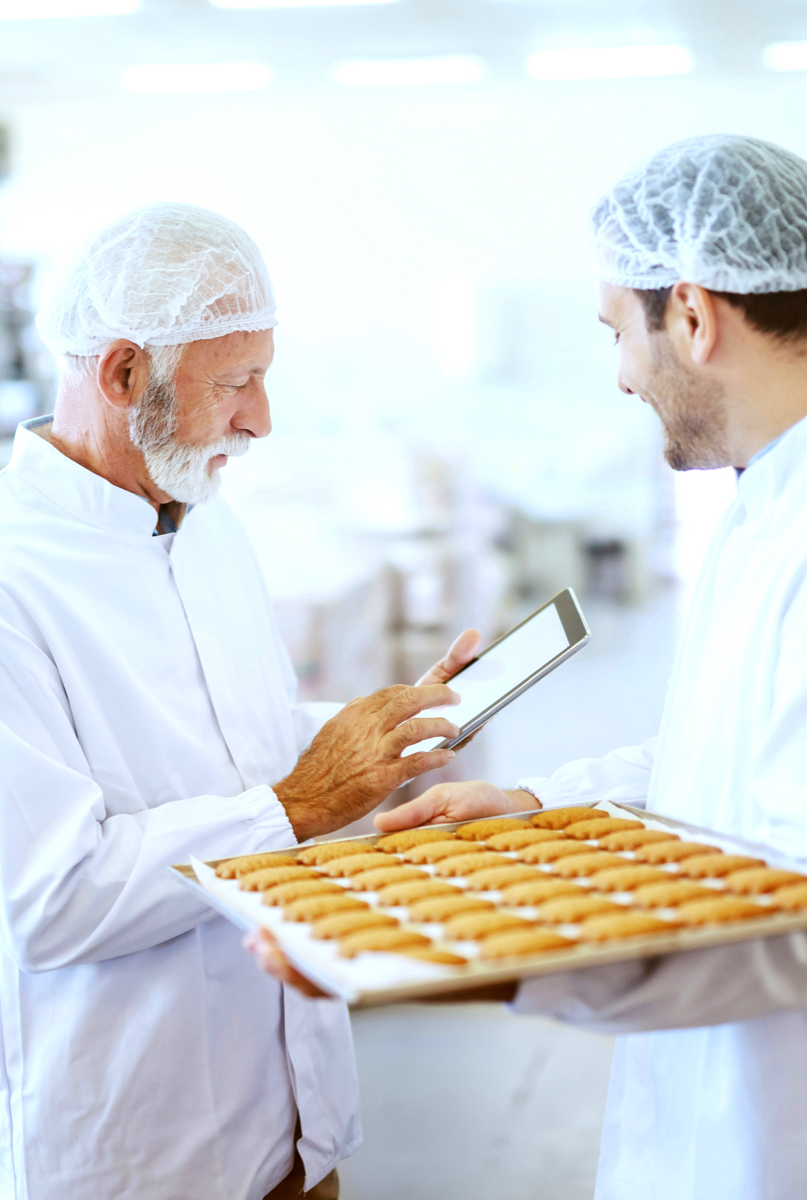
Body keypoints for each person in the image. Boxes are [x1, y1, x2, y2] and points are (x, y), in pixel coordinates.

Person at [0, 202, 471, 1200]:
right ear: (121, 374)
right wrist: (305, 802)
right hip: (135, 1150)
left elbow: (239, 753)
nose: (261, 418)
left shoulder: (199, 521)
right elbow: (52, 901)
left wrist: (371, 741)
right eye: (236, 382)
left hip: (292, 1115)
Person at [252, 136, 807, 1200]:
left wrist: (464, 958)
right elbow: (715, 765)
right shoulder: (757, 512)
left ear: (692, 317)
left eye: (617, 333)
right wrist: (533, 801)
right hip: (701, 1113)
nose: (617, 376)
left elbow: (786, 924)